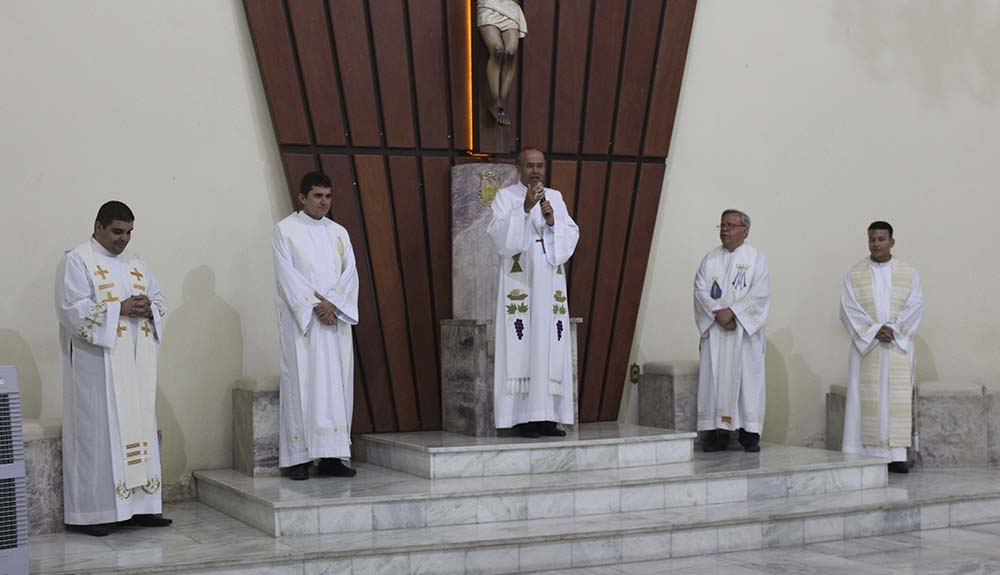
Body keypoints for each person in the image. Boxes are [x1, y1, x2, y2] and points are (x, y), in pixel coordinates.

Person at [56, 201, 171, 537]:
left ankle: (141, 507)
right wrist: (118, 308)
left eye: (129, 232)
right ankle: (96, 513)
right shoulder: (77, 261)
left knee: (138, 429)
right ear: (99, 226)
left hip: (136, 364)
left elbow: (161, 300)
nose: (125, 239)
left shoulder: (136, 263)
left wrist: (150, 308)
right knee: (100, 435)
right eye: (118, 232)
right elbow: (70, 310)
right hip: (98, 368)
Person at [273, 171, 360, 480]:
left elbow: (350, 274)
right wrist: (315, 306)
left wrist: (333, 305)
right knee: (302, 385)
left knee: (335, 388)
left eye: (328, 196)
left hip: (333, 322)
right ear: (302, 197)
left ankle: (332, 458)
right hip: (305, 327)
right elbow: (287, 277)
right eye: (317, 196)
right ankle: (298, 458)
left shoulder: (339, 233)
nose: (324, 202)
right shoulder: (285, 230)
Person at [488, 148, 578, 438]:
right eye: (530, 166)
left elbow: (570, 234)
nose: (536, 171)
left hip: (550, 280)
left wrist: (552, 221)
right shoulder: (506, 197)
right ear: (519, 169)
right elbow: (500, 238)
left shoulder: (557, 197)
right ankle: (523, 418)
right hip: (522, 281)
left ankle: (548, 417)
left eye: (540, 165)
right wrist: (525, 208)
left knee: (550, 344)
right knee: (524, 344)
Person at [840, 221, 923, 474]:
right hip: (868, 347)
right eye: (872, 239)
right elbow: (848, 308)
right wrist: (875, 330)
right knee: (864, 398)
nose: (876, 244)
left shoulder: (909, 273)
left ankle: (896, 455)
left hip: (897, 347)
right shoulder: (854, 274)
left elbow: (916, 305)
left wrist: (894, 330)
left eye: (881, 239)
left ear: (892, 242)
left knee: (895, 400)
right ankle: (864, 455)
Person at [693, 209, 770, 452]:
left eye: (731, 225)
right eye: (722, 225)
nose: (725, 230)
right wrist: (719, 314)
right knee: (716, 382)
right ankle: (719, 433)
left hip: (743, 335)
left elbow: (759, 294)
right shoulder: (709, 259)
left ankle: (749, 433)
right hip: (716, 332)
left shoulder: (757, 259)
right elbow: (700, 290)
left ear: (745, 230)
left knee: (747, 383)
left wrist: (734, 313)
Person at [477, 0, 526, 126]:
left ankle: (500, 101)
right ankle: (496, 100)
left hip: (510, 7)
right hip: (488, 5)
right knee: (497, 50)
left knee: (511, 53)